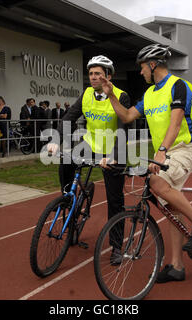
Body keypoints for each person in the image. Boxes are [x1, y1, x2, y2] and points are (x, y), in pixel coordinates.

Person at [99, 43, 192, 283]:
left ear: (152, 65)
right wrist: (110, 95)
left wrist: (161, 152)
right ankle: (176, 267)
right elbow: (128, 116)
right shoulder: (149, 95)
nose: (140, 73)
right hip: (168, 153)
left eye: (142, 68)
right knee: (170, 206)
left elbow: (175, 122)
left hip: (185, 148)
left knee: (156, 183)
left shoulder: (179, 86)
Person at [47, 55, 130, 264]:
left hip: (112, 149)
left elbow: (123, 129)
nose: (93, 78)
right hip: (90, 145)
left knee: (115, 200)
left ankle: (117, 247)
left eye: (98, 74)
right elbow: (69, 117)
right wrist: (57, 139)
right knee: (65, 162)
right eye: (91, 74)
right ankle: (69, 201)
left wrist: (113, 156)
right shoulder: (86, 94)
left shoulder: (121, 96)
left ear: (108, 77)